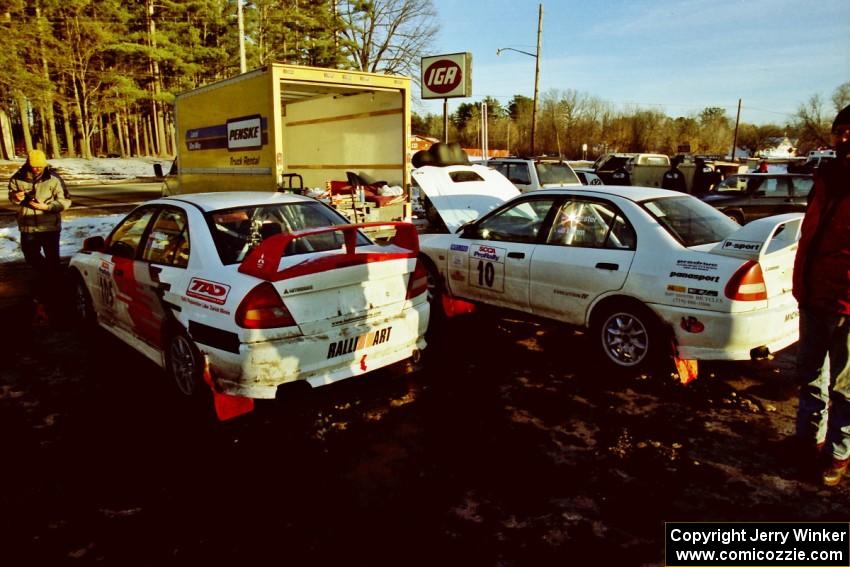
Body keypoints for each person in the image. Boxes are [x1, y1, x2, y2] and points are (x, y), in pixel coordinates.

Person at [791, 104, 850, 486]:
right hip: (813, 294)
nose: (843, 138)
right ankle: (805, 442)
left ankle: (838, 454)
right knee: (810, 374)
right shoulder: (826, 177)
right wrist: (802, 285)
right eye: (839, 130)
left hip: (846, 303)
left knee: (844, 387)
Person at [7, 149, 71, 323]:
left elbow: (65, 201)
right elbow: (11, 196)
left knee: (53, 260)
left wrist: (48, 208)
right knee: (31, 257)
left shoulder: (54, 178)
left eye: (39, 166)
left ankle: (56, 294)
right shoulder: (17, 177)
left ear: (44, 164)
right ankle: (52, 278)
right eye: (34, 166)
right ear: (28, 163)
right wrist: (16, 197)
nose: (36, 169)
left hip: (49, 226)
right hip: (28, 226)